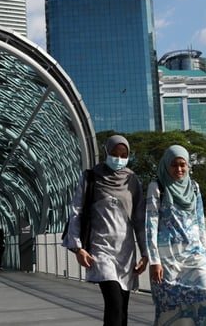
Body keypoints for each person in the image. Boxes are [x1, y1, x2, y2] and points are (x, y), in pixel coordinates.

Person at [63, 134, 149, 326]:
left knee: (123, 309)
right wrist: (78, 248)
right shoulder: (91, 177)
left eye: (123, 154)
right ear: (106, 152)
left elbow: (139, 219)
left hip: (125, 252)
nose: (118, 158)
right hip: (100, 249)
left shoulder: (132, 180)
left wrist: (145, 253)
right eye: (114, 153)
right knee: (114, 304)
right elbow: (76, 211)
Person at [146, 145, 206, 325]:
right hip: (168, 258)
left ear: (188, 165)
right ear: (166, 165)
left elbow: (200, 221)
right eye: (174, 165)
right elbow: (150, 224)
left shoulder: (194, 187)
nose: (179, 169)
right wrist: (154, 260)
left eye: (182, 164)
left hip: (195, 254)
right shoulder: (157, 187)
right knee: (171, 308)